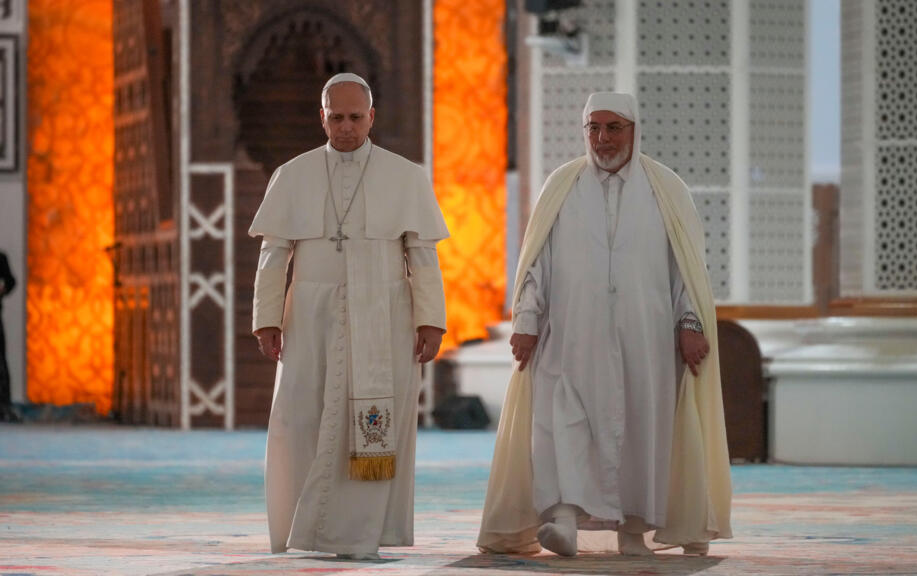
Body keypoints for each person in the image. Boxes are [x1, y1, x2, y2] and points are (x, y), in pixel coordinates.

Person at [477, 92, 732, 557]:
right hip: (570, 335)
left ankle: (632, 532)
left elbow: (686, 268)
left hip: (646, 340)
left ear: (634, 130)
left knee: (640, 431)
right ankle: (563, 519)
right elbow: (536, 263)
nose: (602, 138)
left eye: (614, 128)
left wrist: (690, 323)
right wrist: (526, 320)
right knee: (561, 423)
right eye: (593, 128)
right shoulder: (562, 185)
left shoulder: (666, 189)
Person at [249, 73, 449, 559]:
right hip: (310, 316)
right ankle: (304, 528)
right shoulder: (292, 175)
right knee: (302, 419)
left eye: (355, 117)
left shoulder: (405, 176)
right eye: (336, 117)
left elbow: (422, 256)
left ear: (371, 117)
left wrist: (431, 320)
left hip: (383, 313)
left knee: (372, 421)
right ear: (321, 118)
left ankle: (361, 532)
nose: (345, 127)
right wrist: (266, 319)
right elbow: (274, 255)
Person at [0, 250, 15, 409]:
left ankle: (4, 404)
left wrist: (3, 289)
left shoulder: (1, 258)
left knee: (1, 362)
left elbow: (11, 282)